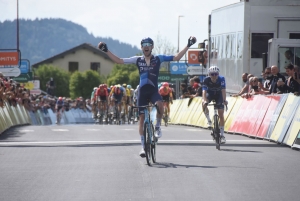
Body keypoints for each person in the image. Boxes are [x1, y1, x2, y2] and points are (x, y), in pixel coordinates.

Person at [98, 36, 197, 157]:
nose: (146, 46)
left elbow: (176, 57)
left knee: (160, 105)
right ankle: (143, 147)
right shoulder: (137, 59)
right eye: (144, 44)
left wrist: (188, 45)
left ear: (152, 47)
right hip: (142, 93)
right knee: (141, 120)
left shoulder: (158, 58)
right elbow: (119, 60)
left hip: (154, 91)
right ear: (141, 47)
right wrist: (106, 50)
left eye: (148, 44)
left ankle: (158, 126)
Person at [202, 66, 228, 144]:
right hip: (210, 94)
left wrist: (224, 100)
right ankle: (209, 120)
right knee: (203, 103)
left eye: (215, 74)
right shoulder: (206, 80)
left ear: (218, 74)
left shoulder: (221, 79)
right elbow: (204, 92)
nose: (214, 76)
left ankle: (222, 135)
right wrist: (204, 100)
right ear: (209, 74)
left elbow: (223, 90)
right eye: (212, 74)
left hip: (219, 95)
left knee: (221, 114)